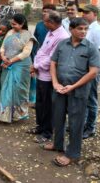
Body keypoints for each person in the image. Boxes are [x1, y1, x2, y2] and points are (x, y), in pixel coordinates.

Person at [42, 17, 100, 166]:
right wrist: (55, 82)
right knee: (58, 117)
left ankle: (72, 153)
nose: (83, 32)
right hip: (59, 88)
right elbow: (53, 62)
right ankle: (57, 144)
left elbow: (94, 72)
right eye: (80, 29)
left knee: (76, 122)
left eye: (86, 29)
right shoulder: (62, 44)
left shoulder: (91, 47)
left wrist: (73, 86)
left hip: (78, 91)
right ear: (71, 29)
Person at [31, 11, 70, 143]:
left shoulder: (62, 36)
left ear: (52, 23)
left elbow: (52, 58)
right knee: (40, 103)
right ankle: (40, 127)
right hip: (40, 73)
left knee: (48, 106)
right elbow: (42, 50)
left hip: (49, 76)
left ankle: (47, 133)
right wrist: (35, 64)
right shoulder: (50, 32)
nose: (43, 23)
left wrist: (37, 66)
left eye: (45, 21)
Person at [0, 14, 36, 123]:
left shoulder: (28, 36)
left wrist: (10, 61)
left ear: (22, 24)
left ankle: (19, 114)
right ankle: (5, 115)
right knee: (6, 88)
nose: (12, 26)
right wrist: (3, 57)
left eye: (15, 24)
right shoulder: (9, 32)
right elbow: (3, 47)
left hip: (21, 66)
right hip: (7, 64)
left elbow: (26, 53)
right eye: (11, 24)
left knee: (20, 89)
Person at [79, 4, 100, 139]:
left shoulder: (97, 30)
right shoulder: (87, 29)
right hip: (83, 68)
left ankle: (90, 127)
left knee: (91, 98)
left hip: (93, 68)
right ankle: (83, 124)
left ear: (95, 14)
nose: (83, 15)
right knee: (83, 97)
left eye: (87, 12)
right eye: (83, 13)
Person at [30, 4, 56, 108]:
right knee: (39, 80)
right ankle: (38, 101)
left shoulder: (57, 26)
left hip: (51, 57)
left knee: (49, 80)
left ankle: (49, 103)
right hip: (39, 55)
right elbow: (35, 39)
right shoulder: (39, 24)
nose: (45, 13)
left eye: (48, 11)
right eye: (44, 11)